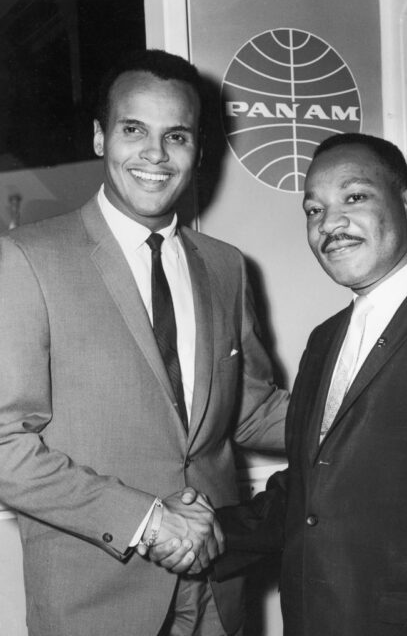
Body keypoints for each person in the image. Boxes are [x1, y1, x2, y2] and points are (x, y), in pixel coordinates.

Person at [0, 49, 287, 636]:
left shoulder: (227, 267)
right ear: (102, 137)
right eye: (135, 130)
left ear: (199, 150)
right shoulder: (27, 259)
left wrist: (375, 411)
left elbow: (251, 409)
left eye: (176, 135)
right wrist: (147, 520)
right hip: (95, 601)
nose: (156, 155)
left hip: (215, 586)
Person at [170, 132, 407, 635]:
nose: (331, 223)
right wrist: (206, 531)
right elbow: (307, 494)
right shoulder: (324, 340)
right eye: (313, 210)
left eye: (355, 197)